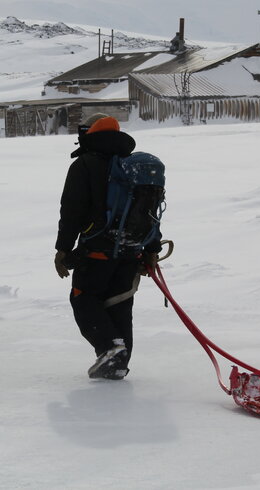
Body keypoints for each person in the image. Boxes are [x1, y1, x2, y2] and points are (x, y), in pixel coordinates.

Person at [54, 114, 159, 380]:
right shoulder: (132, 166)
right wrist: (151, 249)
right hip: (131, 251)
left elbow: (72, 210)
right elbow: (150, 212)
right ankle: (119, 362)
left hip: (97, 251)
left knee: (84, 298)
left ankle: (111, 349)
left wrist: (63, 249)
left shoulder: (85, 165)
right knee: (119, 304)